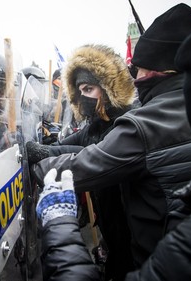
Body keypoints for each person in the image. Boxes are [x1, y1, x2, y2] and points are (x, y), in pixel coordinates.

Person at [36, 1, 191, 280]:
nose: (137, 78)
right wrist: (41, 149)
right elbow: (87, 142)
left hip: (152, 257)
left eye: (140, 70)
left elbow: (87, 162)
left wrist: (55, 213)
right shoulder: (189, 113)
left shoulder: (143, 122)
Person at [27, 43, 136, 280]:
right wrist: (32, 150)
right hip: (110, 228)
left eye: (89, 88)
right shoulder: (94, 125)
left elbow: (91, 153)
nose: (83, 96)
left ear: (108, 89)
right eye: (80, 90)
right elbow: (62, 147)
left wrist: (44, 157)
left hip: (134, 236)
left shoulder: (128, 122)